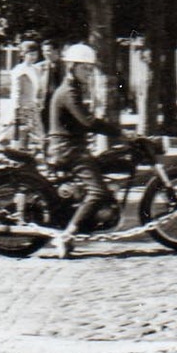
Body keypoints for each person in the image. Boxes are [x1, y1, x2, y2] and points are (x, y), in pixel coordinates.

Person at [43, 43, 123, 256]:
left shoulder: (73, 89)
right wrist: (117, 132)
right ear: (73, 67)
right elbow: (87, 122)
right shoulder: (69, 91)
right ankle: (67, 235)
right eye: (85, 68)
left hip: (70, 146)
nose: (89, 72)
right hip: (67, 149)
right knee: (97, 191)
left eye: (90, 69)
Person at [3, 41, 47, 151]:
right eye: (30, 54)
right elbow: (17, 91)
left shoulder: (36, 69)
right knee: (22, 132)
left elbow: (39, 88)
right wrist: (16, 107)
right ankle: (19, 154)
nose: (33, 57)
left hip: (33, 106)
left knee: (36, 134)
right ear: (23, 54)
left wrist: (39, 100)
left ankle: (27, 153)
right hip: (22, 107)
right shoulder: (19, 70)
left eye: (35, 54)